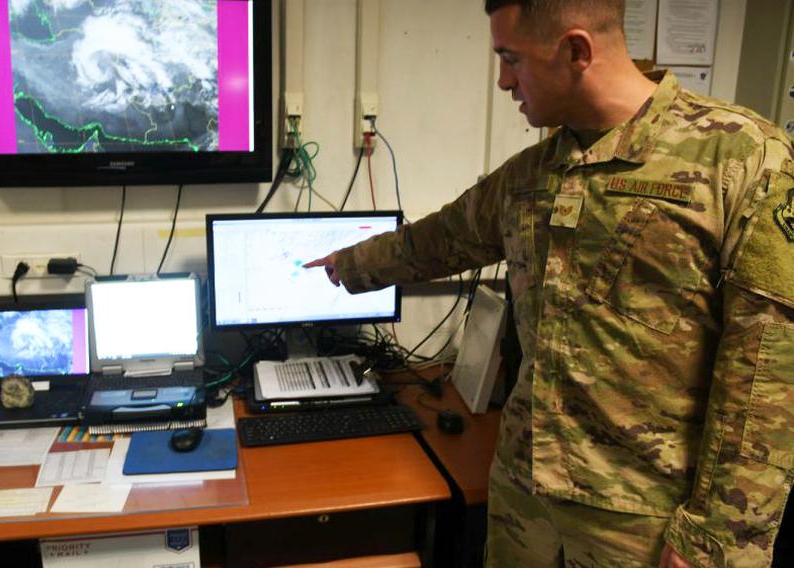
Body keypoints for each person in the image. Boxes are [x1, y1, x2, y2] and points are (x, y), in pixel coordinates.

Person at [304, 1, 794, 566]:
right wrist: (350, 263)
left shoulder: (740, 159)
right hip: (525, 498)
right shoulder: (532, 175)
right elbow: (438, 240)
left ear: (576, 51)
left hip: (644, 521)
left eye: (512, 59)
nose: (503, 80)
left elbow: (768, 376)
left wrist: (715, 540)